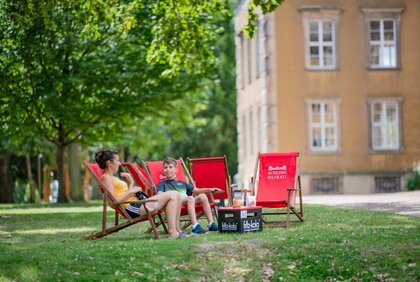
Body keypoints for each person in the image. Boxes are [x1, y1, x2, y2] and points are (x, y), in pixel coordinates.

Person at [95, 150, 185, 239]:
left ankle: (177, 230)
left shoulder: (113, 177)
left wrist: (131, 183)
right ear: (109, 163)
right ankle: (172, 232)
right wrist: (131, 191)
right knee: (173, 194)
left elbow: (125, 193)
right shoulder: (106, 178)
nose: (119, 163)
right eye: (117, 161)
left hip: (139, 203)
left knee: (176, 195)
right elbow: (114, 202)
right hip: (133, 208)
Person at [157, 157, 222, 234]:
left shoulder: (182, 183)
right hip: (175, 202)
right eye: (165, 167)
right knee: (190, 198)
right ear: (163, 171)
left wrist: (210, 189)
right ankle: (195, 226)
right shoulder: (162, 184)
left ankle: (211, 224)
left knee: (203, 196)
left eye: (170, 167)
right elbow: (160, 195)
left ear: (176, 170)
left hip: (187, 201)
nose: (168, 169)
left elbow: (197, 190)